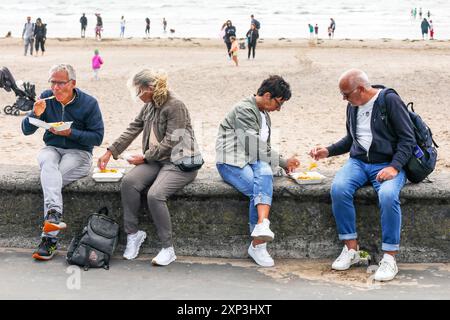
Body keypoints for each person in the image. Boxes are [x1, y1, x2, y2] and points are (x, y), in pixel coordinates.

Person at [309, 69, 415, 282]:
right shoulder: (353, 106)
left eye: (346, 94)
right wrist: (328, 150)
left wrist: (394, 167)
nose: (344, 99)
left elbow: (408, 139)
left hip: (387, 164)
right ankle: (351, 250)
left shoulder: (390, 101)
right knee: (338, 188)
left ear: (360, 89)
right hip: (358, 162)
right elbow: (351, 140)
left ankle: (389, 258)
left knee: (387, 196)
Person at [97, 69, 203, 266]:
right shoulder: (149, 105)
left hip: (180, 162)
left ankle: (168, 248)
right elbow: (133, 128)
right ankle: (133, 234)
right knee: (129, 182)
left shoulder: (175, 105)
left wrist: (145, 157)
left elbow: (173, 140)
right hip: (157, 160)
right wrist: (110, 151)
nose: (138, 96)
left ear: (149, 88)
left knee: (154, 195)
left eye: (139, 92)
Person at [21, 64, 104, 261]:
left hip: (79, 154)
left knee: (51, 178)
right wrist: (35, 114)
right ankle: (54, 216)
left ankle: (48, 239)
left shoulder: (89, 103)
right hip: (52, 149)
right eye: (53, 82)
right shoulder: (46, 98)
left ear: (72, 83)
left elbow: (98, 137)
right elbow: (25, 130)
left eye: (60, 83)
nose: (55, 88)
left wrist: (71, 133)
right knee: (47, 162)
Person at [215, 75, 300, 267]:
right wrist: (284, 161)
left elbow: (261, 149)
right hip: (231, 162)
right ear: (268, 95)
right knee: (258, 189)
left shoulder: (263, 113)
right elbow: (255, 146)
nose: (279, 109)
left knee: (266, 176)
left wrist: (278, 165)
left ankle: (261, 226)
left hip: (253, 160)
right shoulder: (245, 109)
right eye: (279, 103)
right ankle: (258, 246)